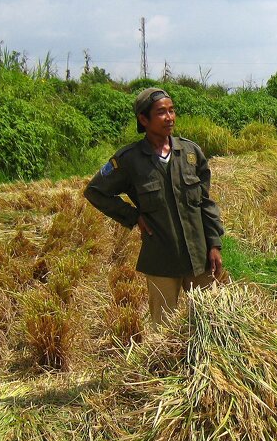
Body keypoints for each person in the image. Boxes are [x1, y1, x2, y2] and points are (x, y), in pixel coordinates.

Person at [84, 87, 226, 325]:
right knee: (163, 330)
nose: (169, 117)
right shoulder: (130, 160)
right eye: (161, 112)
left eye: (172, 111)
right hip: (161, 259)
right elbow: (95, 192)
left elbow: (205, 202)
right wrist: (133, 216)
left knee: (210, 325)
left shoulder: (191, 153)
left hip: (199, 257)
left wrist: (214, 244)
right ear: (143, 119)